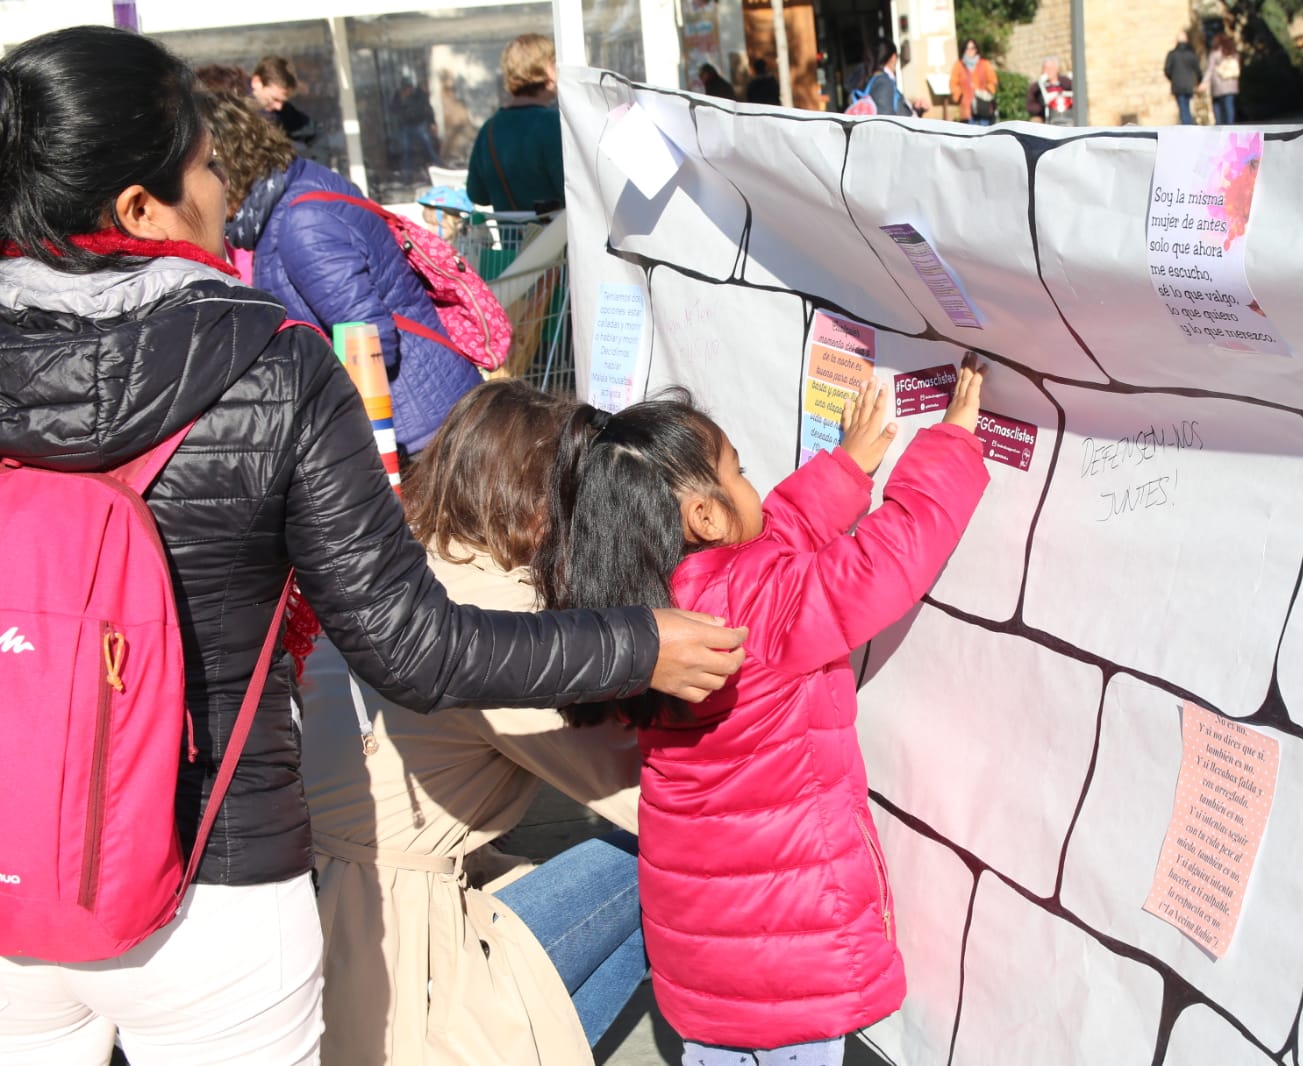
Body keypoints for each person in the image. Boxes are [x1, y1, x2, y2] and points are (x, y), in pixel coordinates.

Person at [0, 26, 745, 1065]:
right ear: (138, 207)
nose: (226, 197)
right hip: (217, 883)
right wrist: (637, 642)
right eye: (208, 169)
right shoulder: (266, 363)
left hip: (14, 867)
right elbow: (415, 647)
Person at [539, 360, 991, 1065]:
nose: (756, 487)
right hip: (794, 957)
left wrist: (845, 470)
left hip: (701, 959)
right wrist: (954, 445)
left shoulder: (634, 616)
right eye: (740, 472)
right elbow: (886, 560)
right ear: (705, 516)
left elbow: (772, 530)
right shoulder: (760, 603)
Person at [301, 381, 648, 1064]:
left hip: (323, 914)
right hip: (404, 951)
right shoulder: (501, 620)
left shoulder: (388, 567)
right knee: (669, 862)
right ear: (538, 504)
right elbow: (645, 797)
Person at [201, 91, 479, 458]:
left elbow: (371, 339)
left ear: (226, 165)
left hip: (417, 431)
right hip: (428, 413)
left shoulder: (302, 224)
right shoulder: (299, 186)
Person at [467, 34, 564, 213]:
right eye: (555, 64)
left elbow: (477, 194)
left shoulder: (489, 129)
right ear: (547, 70)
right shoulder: (552, 124)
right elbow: (573, 192)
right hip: (560, 239)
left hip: (514, 240)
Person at [251, 54, 318, 155]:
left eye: (283, 101)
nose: (279, 107)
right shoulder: (232, 110)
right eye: (274, 99)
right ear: (257, 82)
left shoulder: (284, 112)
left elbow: (315, 132)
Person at [862, 41, 921, 118]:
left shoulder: (878, 81)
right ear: (893, 57)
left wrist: (917, 110)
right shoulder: (883, 82)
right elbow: (886, 122)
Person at [949, 37, 999, 125]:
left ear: (976, 49)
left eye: (972, 48)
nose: (970, 51)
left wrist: (986, 92)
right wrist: (960, 96)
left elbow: (993, 81)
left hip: (983, 106)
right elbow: (953, 83)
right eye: (967, 48)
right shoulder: (959, 65)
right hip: (967, 109)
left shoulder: (984, 64)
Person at [1163, 32, 1202, 125]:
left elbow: (1167, 69)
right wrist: (1198, 81)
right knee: (1187, 106)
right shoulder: (1191, 54)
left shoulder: (1172, 55)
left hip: (1177, 84)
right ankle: (1188, 124)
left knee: (1182, 107)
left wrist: (1172, 78)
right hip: (1189, 84)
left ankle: (1186, 126)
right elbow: (1198, 70)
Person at [1203, 31, 1241, 125]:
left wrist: (1204, 82)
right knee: (1229, 105)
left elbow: (1210, 69)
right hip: (1232, 83)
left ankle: (1219, 125)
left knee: (1217, 104)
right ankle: (1230, 125)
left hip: (1219, 84)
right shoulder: (1233, 52)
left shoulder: (1215, 53)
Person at [1026, 56, 1073, 126]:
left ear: (1057, 69)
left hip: (1067, 113)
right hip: (1044, 115)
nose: (1048, 71)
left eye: (1051, 68)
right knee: (1035, 122)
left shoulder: (1067, 82)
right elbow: (1030, 105)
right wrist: (1042, 107)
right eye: (1046, 68)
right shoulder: (1037, 86)